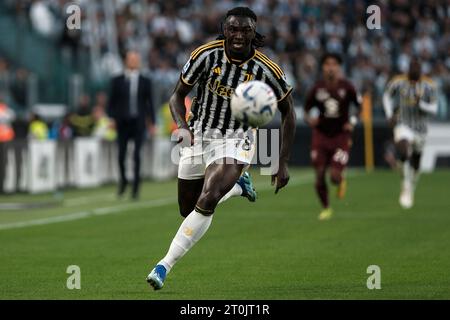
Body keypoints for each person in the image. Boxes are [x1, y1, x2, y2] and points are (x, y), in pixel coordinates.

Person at [146, 7, 296, 290]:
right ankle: (240, 187)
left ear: (254, 33)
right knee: (188, 209)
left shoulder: (267, 69)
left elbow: (289, 112)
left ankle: (163, 265)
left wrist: (282, 160)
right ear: (224, 30)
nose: (239, 35)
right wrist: (182, 125)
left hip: (237, 138)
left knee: (209, 198)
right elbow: (177, 96)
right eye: (233, 29)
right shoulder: (205, 55)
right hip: (200, 132)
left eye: (245, 30)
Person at [303, 53, 361, 221]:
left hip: (341, 136)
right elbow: (306, 110)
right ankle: (326, 208)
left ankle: (340, 180)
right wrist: (309, 120)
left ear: (339, 67)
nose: (331, 67)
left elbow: (359, 106)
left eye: (334, 64)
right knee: (319, 175)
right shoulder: (317, 88)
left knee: (334, 177)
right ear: (323, 67)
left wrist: (353, 121)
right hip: (320, 135)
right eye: (327, 64)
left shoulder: (347, 87)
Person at [383, 58, 438, 209]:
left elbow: (434, 109)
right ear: (408, 70)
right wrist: (389, 114)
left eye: (417, 69)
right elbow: (386, 95)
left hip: (421, 129)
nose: (414, 72)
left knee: (416, 162)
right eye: (412, 69)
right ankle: (405, 184)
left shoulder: (429, 85)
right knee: (403, 147)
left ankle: (411, 184)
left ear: (421, 71)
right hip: (403, 124)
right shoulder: (398, 82)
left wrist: (422, 105)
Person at [107, 51, 155, 200]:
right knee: (121, 155)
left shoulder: (145, 81)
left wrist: (152, 122)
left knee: (136, 156)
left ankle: (135, 188)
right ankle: (123, 181)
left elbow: (149, 103)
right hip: (122, 122)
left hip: (138, 122)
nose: (133, 62)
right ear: (126, 61)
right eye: (131, 59)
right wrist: (112, 119)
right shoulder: (117, 80)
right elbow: (112, 101)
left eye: (136, 59)